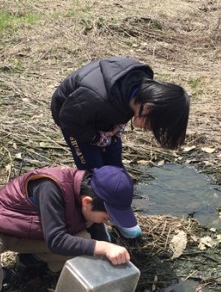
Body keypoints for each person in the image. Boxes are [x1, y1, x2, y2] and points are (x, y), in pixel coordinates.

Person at [0, 165, 135, 292]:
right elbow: (57, 240)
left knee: (84, 241)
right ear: (87, 202)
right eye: (105, 217)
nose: (105, 222)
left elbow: (99, 250)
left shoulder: (89, 200)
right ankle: (1, 285)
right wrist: (104, 247)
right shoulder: (50, 186)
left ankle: (32, 259)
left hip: (37, 234)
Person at [50, 56, 190, 238]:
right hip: (74, 120)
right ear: (147, 108)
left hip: (101, 114)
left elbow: (121, 108)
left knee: (116, 169)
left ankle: (118, 215)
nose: (148, 131)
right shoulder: (96, 97)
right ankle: (95, 221)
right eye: (152, 126)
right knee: (93, 172)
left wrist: (117, 127)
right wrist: (96, 137)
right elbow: (68, 120)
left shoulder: (140, 88)